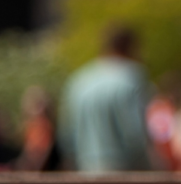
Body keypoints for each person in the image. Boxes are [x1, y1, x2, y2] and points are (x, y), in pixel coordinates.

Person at [61, 26, 153, 172]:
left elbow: (67, 136)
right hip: (124, 171)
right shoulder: (131, 75)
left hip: (87, 169)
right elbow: (135, 136)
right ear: (131, 47)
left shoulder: (79, 79)